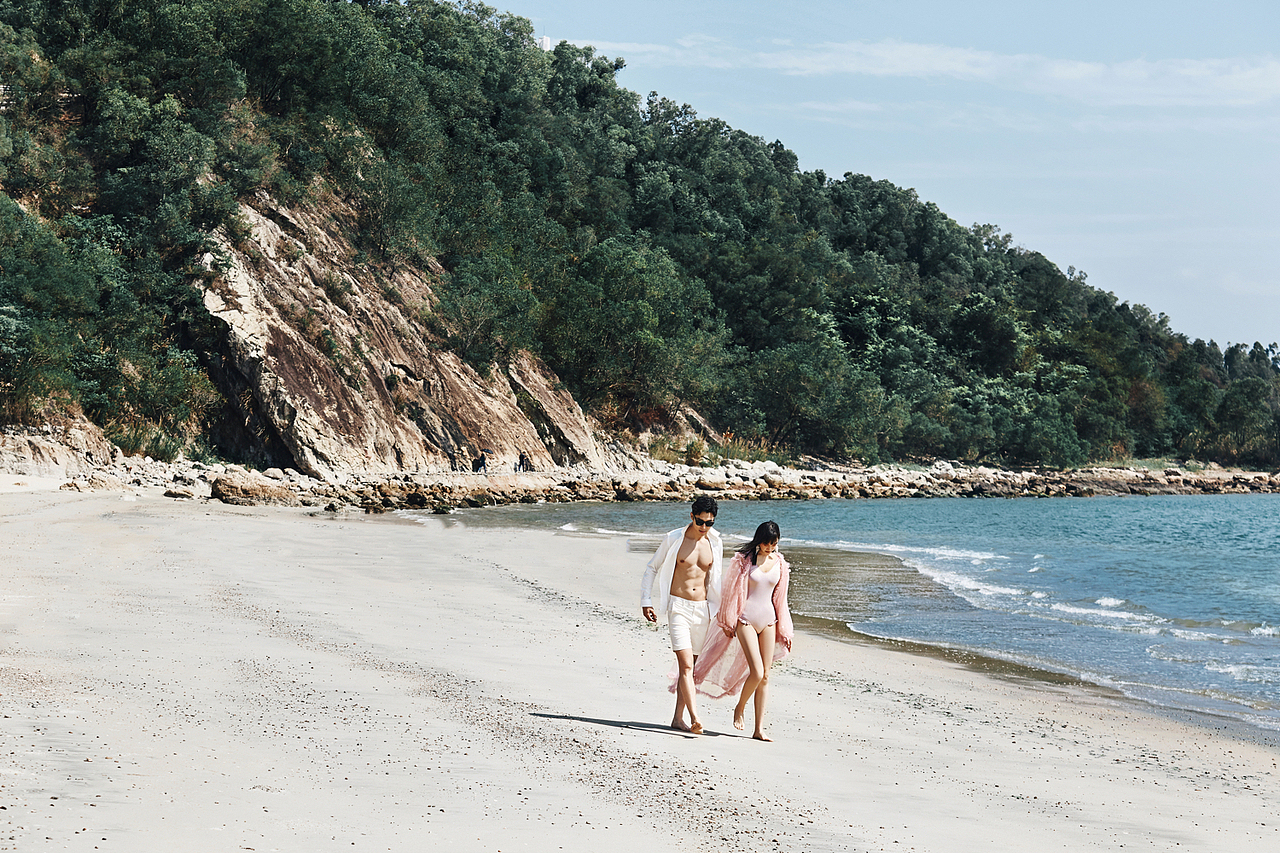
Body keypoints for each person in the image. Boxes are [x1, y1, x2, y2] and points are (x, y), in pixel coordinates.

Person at [692, 520, 792, 741]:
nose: (769, 547)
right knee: (756, 671)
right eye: (766, 543)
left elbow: (781, 600)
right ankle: (740, 707)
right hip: (745, 620)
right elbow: (730, 592)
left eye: (773, 543)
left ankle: (758, 729)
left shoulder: (781, 564)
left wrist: (785, 630)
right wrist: (729, 621)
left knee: (764, 676)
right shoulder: (744, 561)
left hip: (769, 621)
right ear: (759, 540)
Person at [640, 495, 723, 734]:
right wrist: (647, 601)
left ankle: (678, 718)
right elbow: (652, 567)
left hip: (703, 611)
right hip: (678, 608)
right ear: (691, 516)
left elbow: (716, 580)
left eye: (709, 523)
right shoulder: (674, 538)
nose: (704, 527)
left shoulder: (715, 542)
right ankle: (696, 718)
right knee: (686, 665)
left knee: (691, 670)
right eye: (700, 521)